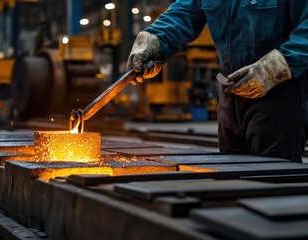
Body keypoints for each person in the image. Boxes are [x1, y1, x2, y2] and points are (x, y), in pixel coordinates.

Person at [127, 0, 308, 162]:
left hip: (279, 94)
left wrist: (277, 66)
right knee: (230, 182)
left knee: (272, 184)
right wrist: (155, 39)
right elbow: (185, 12)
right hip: (231, 96)